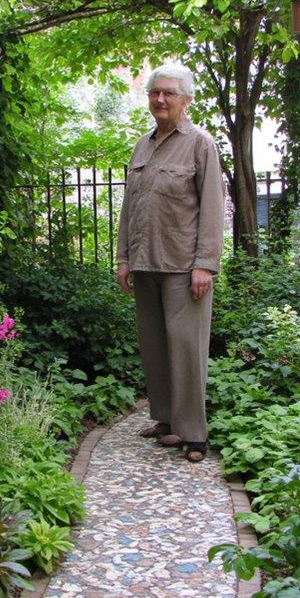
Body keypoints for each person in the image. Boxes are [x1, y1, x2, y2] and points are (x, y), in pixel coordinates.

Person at [116, 61, 225, 463]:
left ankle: (193, 434)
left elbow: (213, 209)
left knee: (186, 348)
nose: (160, 100)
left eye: (169, 93)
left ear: (186, 100)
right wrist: (123, 257)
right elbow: (130, 206)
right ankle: (165, 418)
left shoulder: (201, 144)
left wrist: (205, 264)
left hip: (183, 265)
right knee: (155, 346)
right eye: (154, 93)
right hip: (145, 263)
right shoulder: (142, 146)